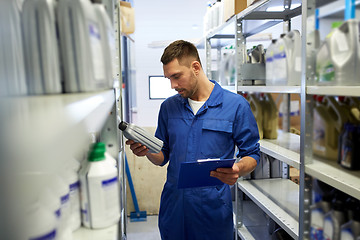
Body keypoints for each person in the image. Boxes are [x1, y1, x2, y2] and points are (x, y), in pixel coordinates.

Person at [126, 40, 260, 240]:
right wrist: (147, 151)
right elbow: (163, 156)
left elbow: (251, 154)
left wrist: (238, 169)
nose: (172, 85)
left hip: (212, 212)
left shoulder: (236, 106)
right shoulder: (169, 108)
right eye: (168, 78)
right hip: (174, 210)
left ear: (195, 67)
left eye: (176, 76)